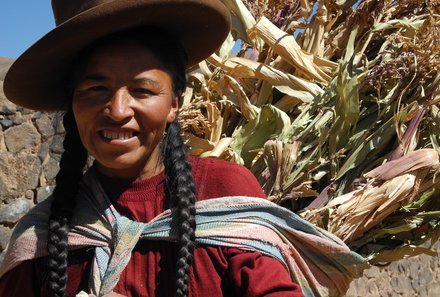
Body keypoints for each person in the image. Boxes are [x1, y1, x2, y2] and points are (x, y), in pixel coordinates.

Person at [0, 1, 367, 297]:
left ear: (174, 102)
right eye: (95, 90)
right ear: (73, 103)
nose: (117, 110)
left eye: (142, 91)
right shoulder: (47, 234)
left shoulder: (223, 194)